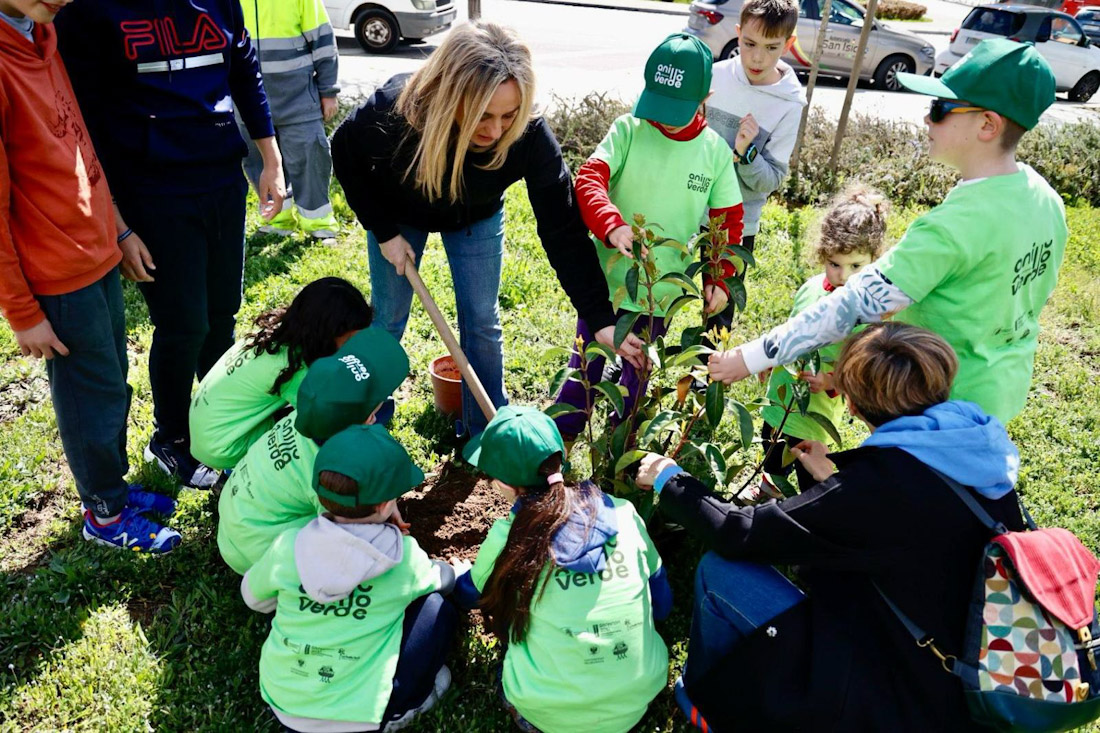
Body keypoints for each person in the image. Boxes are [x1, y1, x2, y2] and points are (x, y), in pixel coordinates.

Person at [638, 323, 1027, 731]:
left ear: (853, 405)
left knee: (721, 573)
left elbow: (737, 533)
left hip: (905, 697)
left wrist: (670, 478)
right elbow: (911, 527)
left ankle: (704, 700)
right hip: (984, 670)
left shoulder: (873, 492)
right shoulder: (976, 448)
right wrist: (830, 483)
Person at [709, 39, 1068, 426]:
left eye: (940, 108)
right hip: (999, 391)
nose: (927, 119)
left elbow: (852, 303)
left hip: (934, 400)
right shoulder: (1045, 200)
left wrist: (749, 357)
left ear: (987, 124)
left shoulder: (955, 225)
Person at [331, 21, 645, 436]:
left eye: (508, 115)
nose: (496, 131)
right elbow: (343, 150)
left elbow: (562, 229)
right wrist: (384, 231)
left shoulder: (529, 136)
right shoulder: (396, 111)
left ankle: (484, 428)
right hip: (400, 214)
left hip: (474, 216)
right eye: (482, 115)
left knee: (481, 320)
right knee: (388, 316)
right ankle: (366, 418)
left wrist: (599, 316)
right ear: (449, 95)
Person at [54, 0, 287, 489]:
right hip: (151, 191)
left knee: (223, 313)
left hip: (222, 179)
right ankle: (172, 438)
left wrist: (271, 158)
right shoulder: (88, 12)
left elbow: (244, 68)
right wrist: (117, 222)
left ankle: (220, 417)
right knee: (184, 324)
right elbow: (79, 120)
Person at [0, 0, 180, 553]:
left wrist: (119, 230)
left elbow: (77, 143)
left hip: (95, 247)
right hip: (55, 270)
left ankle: (113, 489)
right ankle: (103, 512)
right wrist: (23, 312)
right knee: (89, 393)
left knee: (109, 378)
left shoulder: (40, 34)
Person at [553, 32, 744, 442]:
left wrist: (719, 276)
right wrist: (611, 222)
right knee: (584, 362)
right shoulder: (629, 129)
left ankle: (622, 437)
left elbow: (727, 222)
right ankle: (565, 428)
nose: (663, 117)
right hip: (604, 284)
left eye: (676, 107)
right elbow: (589, 179)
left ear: (705, 95)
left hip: (661, 289)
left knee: (638, 368)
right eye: (658, 103)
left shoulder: (713, 151)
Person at [455, 406, 671, 733]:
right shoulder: (623, 514)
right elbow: (663, 603)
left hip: (544, 713)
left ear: (501, 483)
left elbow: (469, 594)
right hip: (637, 696)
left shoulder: (507, 538)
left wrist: (458, 573)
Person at [242, 423, 457, 732]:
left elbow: (253, 597)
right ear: (385, 505)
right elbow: (444, 579)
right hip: (361, 715)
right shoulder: (402, 558)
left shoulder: (289, 545)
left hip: (286, 700)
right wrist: (457, 569)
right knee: (437, 609)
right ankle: (401, 709)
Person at [217, 327, 408, 574]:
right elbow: (348, 536)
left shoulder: (316, 415)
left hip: (239, 529)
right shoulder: (338, 472)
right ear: (371, 416)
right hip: (261, 557)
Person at [746, 184, 890, 502]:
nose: (843, 276)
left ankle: (815, 512)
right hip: (781, 398)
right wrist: (770, 358)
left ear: (874, 261)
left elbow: (861, 371)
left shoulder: (868, 313)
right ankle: (769, 492)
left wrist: (829, 380)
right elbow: (791, 328)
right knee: (771, 447)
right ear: (824, 255)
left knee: (810, 469)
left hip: (816, 413)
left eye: (856, 267)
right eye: (835, 264)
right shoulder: (811, 288)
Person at [189, 277, 371, 470]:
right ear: (326, 334)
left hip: (208, 430)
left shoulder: (279, 333)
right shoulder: (295, 369)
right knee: (314, 436)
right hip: (223, 447)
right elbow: (326, 423)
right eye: (351, 339)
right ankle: (243, 472)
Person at [701, 0, 806, 335]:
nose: (757, 58)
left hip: (737, 226)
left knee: (717, 316)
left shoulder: (789, 104)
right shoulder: (713, 76)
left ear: (788, 45)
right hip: (688, 210)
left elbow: (771, 179)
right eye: (749, 44)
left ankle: (707, 383)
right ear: (737, 35)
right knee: (659, 298)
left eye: (772, 47)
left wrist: (746, 154)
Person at [240, 0, 341, 242]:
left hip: (298, 98)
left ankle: (319, 224)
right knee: (257, 162)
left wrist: (328, 91)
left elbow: (323, 40)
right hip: (245, 101)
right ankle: (278, 218)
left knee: (310, 156)